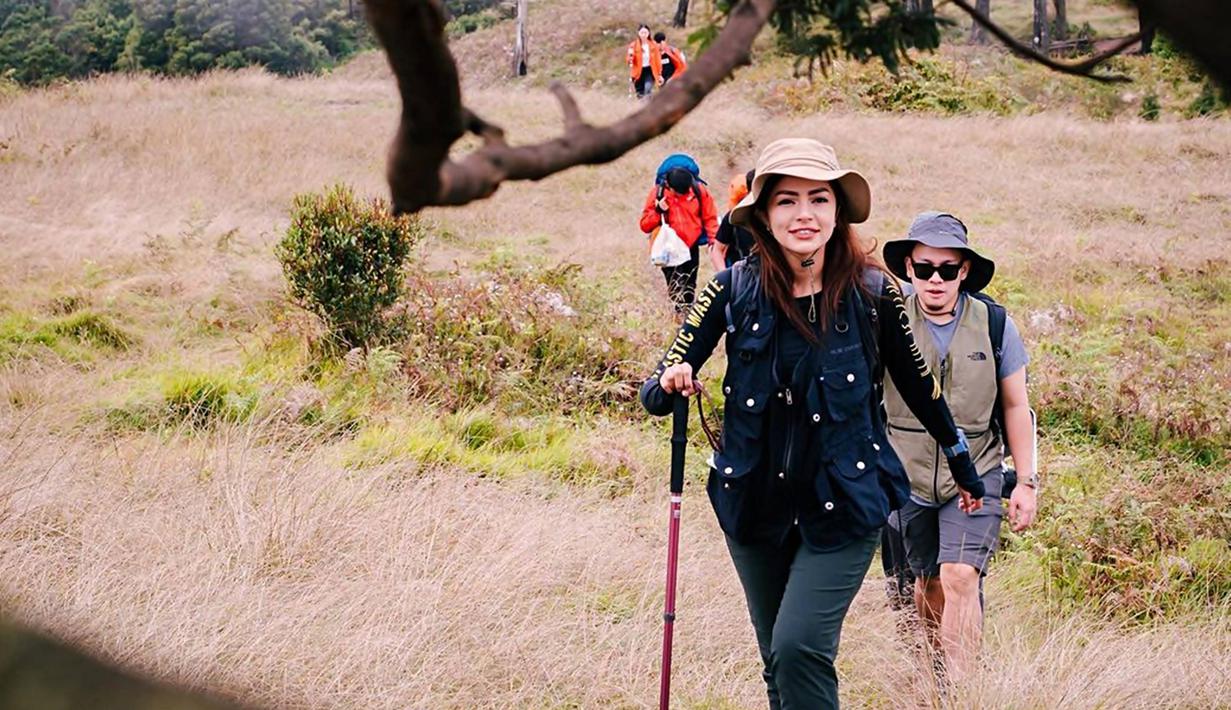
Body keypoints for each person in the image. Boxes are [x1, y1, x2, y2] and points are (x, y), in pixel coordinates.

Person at [640, 139, 986, 710]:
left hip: (846, 498)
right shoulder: (732, 289)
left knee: (801, 647)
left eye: (818, 199)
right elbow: (658, 386)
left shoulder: (876, 294)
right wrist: (672, 378)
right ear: (764, 215)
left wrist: (963, 466)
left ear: (837, 211)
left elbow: (922, 389)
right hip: (753, 499)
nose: (805, 215)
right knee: (777, 658)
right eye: (788, 201)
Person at [881, 212, 1039, 679]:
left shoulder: (994, 325)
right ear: (908, 267)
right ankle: (933, 679)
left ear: (964, 271)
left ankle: (962, 687)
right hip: (904, 474)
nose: (935, 279)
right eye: (924, 268)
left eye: (947, 270)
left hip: (977, 469)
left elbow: (1016, 406)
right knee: (926, 583)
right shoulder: (886, 320)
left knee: (960, 575)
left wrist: (1027, 482)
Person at [640, 154, 719, 316]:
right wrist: (658, 211)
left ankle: (687, 314)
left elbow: (710, 218)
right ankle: (679, 316)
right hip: (668, 248)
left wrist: (715, 243)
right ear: (668, 184)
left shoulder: (699, 191)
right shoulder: (658, 193)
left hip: (691, 246)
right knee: (675, 286)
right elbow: (644, 225)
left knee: (690, 284)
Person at [710, 169, 758, 271]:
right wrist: (725, 277)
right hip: (742, 277)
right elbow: (717, 250)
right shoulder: (733, 217)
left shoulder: (782, 217)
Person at [626, 24, 663, 99]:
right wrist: (630, 58)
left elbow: (658, 60)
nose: (643, 35)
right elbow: (628, 60)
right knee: (640, 93)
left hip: (650, 70)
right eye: (642, 32)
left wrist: (659, 74)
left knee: (648, 89)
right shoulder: (633, 45)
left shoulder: (653, 45)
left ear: (649, 33)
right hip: (638, 72)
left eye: (645, 32)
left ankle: (648, 104)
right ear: (638, 33)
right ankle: (643, 107)